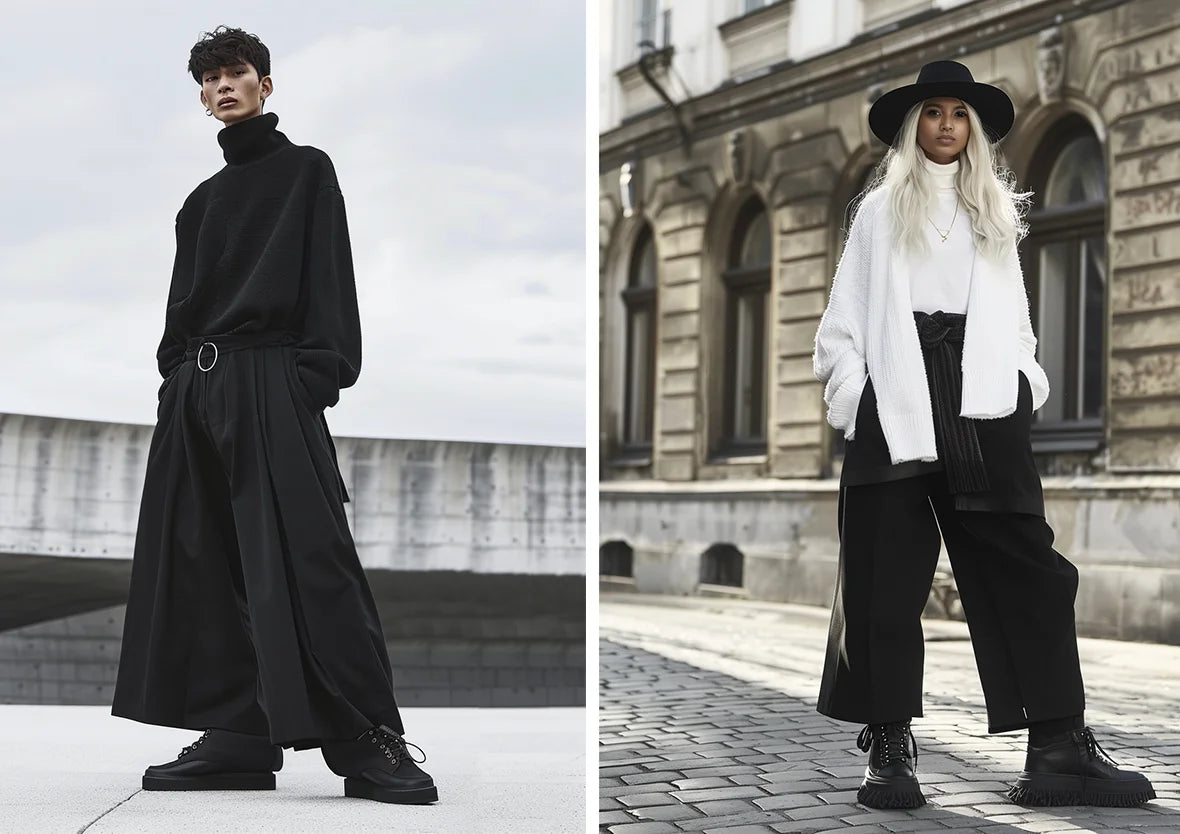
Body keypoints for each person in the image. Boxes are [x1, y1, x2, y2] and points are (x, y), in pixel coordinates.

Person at [811, 60, 1154, 810]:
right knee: (883, 583)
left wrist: (1025, 386)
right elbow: (840, 325)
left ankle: (1059, 748)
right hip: (896, 402)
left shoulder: (998, 212)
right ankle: (891, 751)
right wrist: (857, 398)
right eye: (932, 112)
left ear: (973, 130)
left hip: (984, 408)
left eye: (958, 114)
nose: (945, 124)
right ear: (914, 125)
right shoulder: (877, 213)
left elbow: (1021, 323)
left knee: (1032, 573)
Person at [109, 25, 437, 806]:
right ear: (201, 96)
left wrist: (311, 380)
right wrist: (175, 381)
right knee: (204, 564)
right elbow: (180, 309)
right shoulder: (201, 201)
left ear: (265, 83)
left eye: (238, 72)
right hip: (196, 388)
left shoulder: (306, 173)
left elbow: (329, 283)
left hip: (271, 384)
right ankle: (238, 735)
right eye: (212, 78)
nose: (225, 86)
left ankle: (364, 740)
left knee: (310, 559)